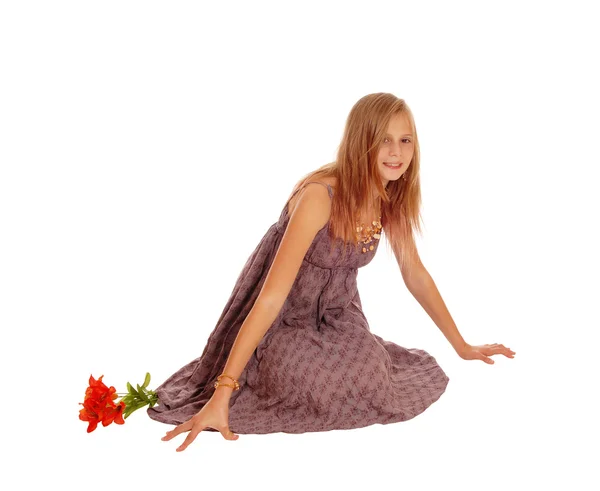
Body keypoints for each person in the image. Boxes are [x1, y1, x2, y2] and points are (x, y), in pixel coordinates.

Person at [149, 92, 516, 452]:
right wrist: (224, 389)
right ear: (361, 143)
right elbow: (271, 297)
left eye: (406, 140)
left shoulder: (390, 198)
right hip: (282, 320)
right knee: (313, 384)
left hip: (338, 316)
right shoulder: (319, 197)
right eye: (383, 140)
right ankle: (245, 377)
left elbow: (414, 273)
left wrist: (461, 345)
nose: (396, 152)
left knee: (371, 381)